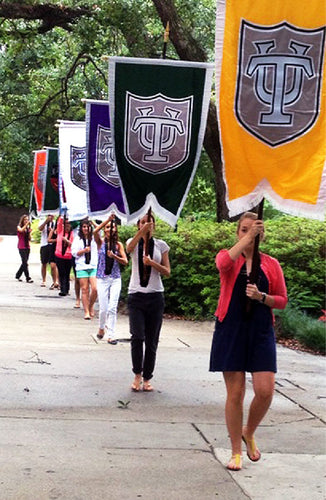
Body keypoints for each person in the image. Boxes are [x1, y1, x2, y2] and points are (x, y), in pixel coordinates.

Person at [209, 212, 288, 471]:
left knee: (265, 391)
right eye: (243, 230)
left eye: (254, 231)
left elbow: (282, 300)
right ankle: (235, 452)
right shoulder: (229, 258)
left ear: (262, 234)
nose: (248, 234)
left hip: (260, 330)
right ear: (238, 233)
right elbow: (222, 264)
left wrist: (262, 297)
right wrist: (246, 241)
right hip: (231, 329)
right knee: (236, 392)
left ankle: (249, 431)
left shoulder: (271, 264)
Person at [126, 214, 170, 392]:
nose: (146, 225)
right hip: (136, 295)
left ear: (154, 226)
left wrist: (152, 263)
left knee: (152, 340)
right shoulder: (134, 242)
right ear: (138, 225)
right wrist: (141, 234)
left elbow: (167, 271)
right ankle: (137, 373)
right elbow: (129, 249)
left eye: (149, 222)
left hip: (155, 296)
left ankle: (147, 377)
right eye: (142, 222)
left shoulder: (161, 245)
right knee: (137, 336)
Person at [93, 216, 128, 344]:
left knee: (112, 307)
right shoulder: (100, 242)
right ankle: (102, 327)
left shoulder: (119, 245)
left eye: (112, 227)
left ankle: (111, 334)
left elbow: (125, 261)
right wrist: (107, 220)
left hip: (115, 278)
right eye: (108, 227)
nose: (110, 229)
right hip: (102, 278)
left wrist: (115, 256)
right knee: (103, 308)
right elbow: (95, 232)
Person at [71, 219, 98, 320]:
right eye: (84, 227)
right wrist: (83, 251)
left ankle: (91, 305)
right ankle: (86, 311)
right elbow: (74, 253)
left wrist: (93, 222)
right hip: (82, 266)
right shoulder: (77, 239)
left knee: (95, 288)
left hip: (93, 265)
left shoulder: (94, 237)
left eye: (88, 226)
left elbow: (100, 231)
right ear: (81, 228)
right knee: (85, 289)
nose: (86, 229)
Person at [52, 216, 74, 297]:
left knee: (67, 273)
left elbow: (73, 245)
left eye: (69, 224)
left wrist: (66, 241)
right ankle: (63, 289)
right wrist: (62, 215)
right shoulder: (60, 231)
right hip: (59, 255)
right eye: (66, 224)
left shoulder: (73, 234)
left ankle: (66, 289)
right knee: (61, 273)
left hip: (68, 256)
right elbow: (59, 223)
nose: (67, 226)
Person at [38, 215, 59, 288]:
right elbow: (40, 229)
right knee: (44, 263)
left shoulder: (55, 223)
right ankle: (44, 280)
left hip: (52, 245)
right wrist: (46, 222)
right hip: (44, 244)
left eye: (52, 215)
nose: (51, 217)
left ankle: (55, 281)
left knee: (54, 264)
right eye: (50, 215)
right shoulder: (42, 221)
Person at [15, 214, 33, 283]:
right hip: (21, 247)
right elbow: (21, 231)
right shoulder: (19, 227)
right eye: (25, 219)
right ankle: (28, 277)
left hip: (27, 246)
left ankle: (18, 275)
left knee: (24, 262)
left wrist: (30, 233)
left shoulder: (27, 228)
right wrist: (26, 226)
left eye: (27, 219)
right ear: (22, 220)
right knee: (25, 262)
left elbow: (29, 239)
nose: (26, 221)